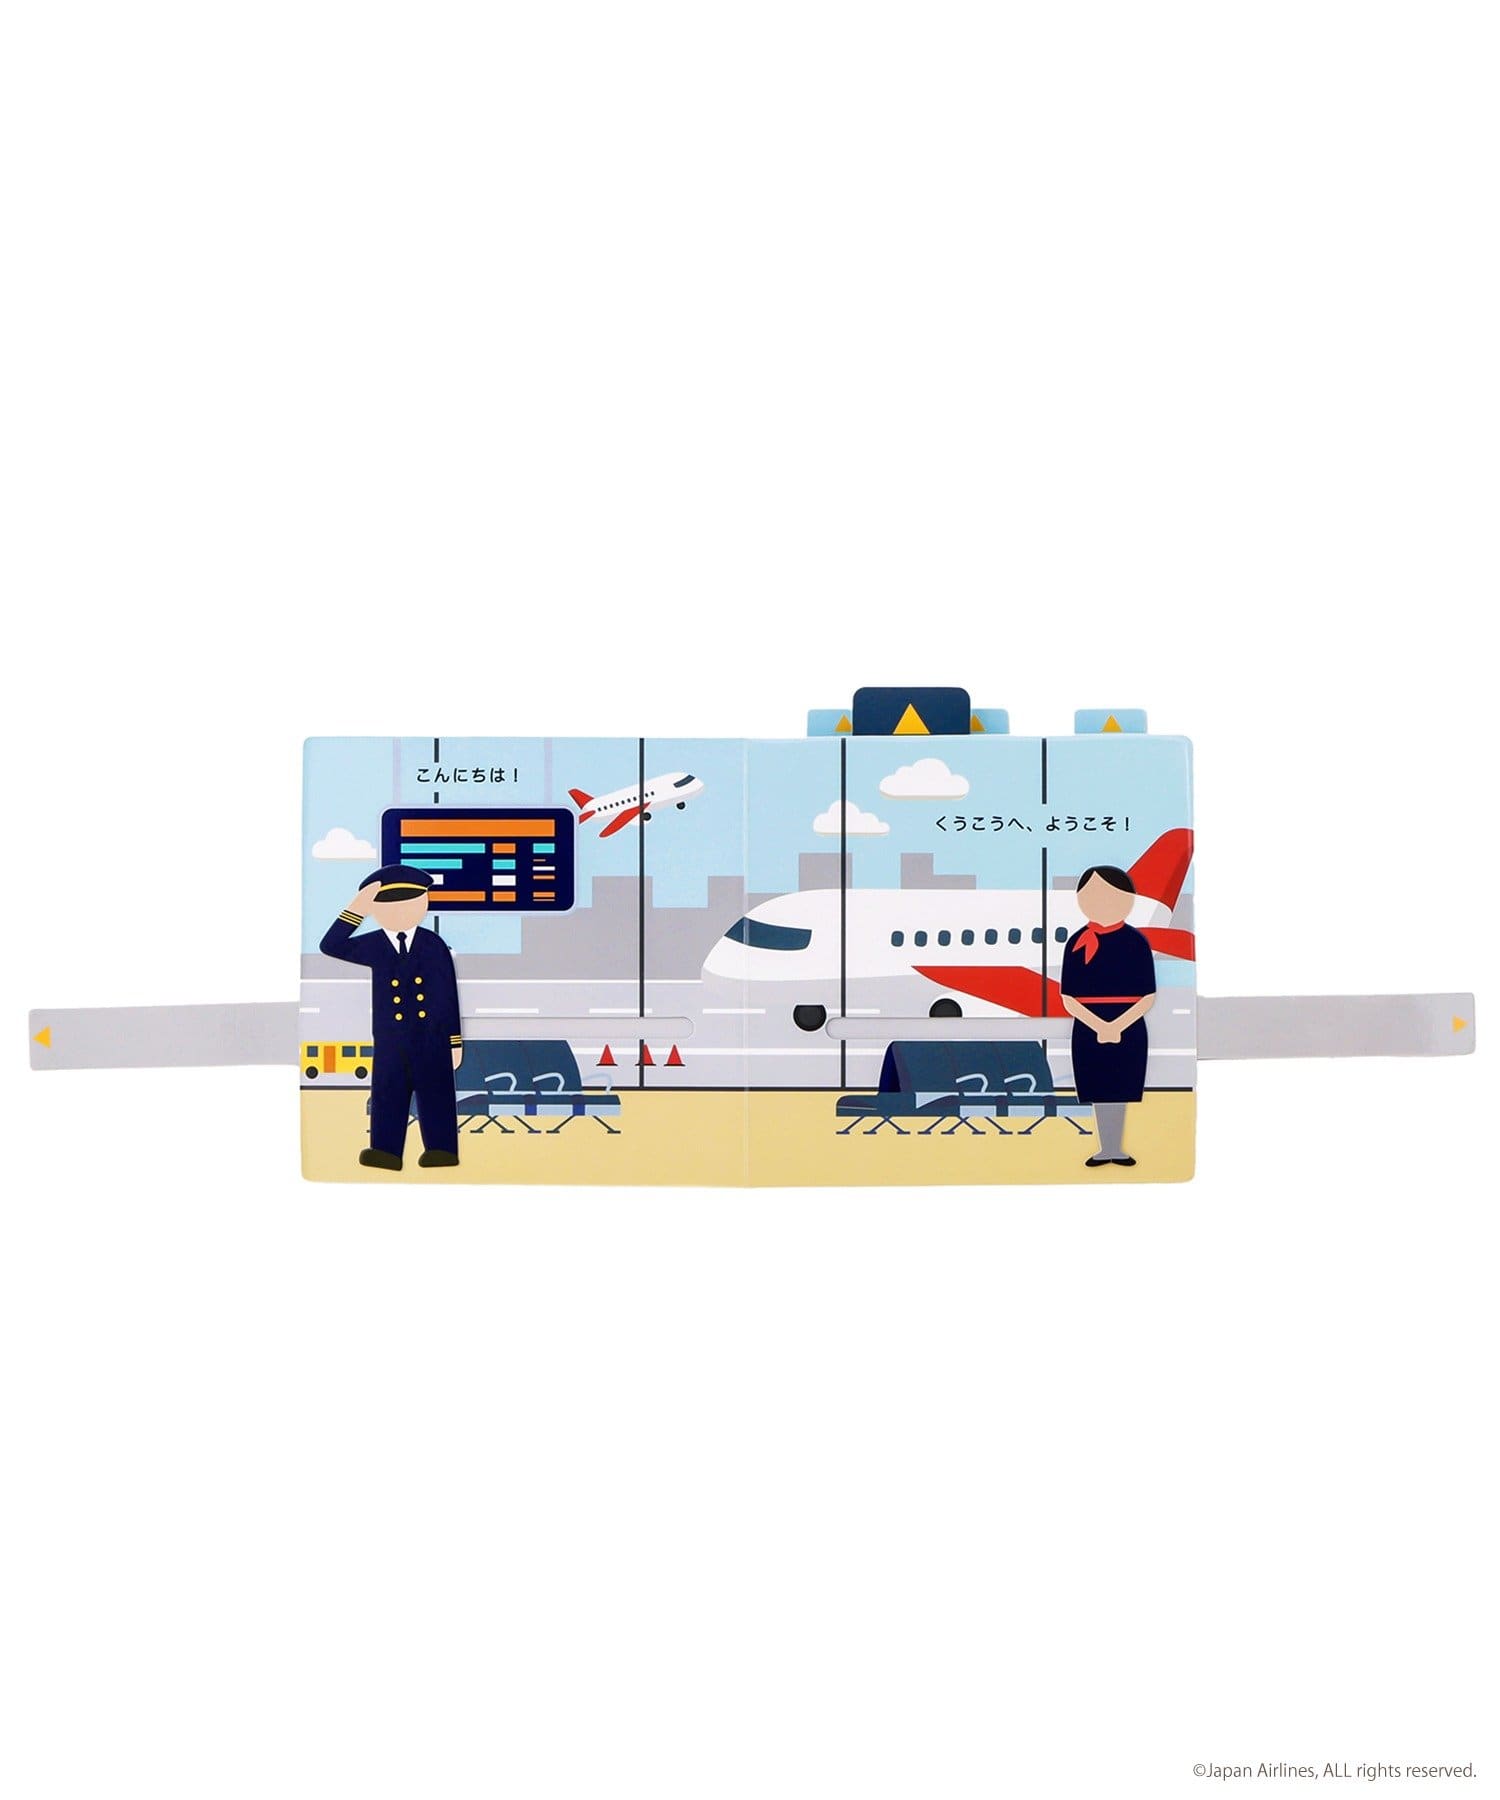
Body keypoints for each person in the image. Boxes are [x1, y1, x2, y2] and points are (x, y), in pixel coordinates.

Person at [319, 865, 464, 1170]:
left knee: (436, 1094)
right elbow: (330, 945)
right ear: (374, 910)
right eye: (389, 906)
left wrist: (454, 1042)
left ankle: (442, 1149)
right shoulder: (374, 944)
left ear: (424, 902)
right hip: (390, 1039)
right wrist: (356, 908)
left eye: (411, 903)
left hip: (432, 1038)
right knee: (388, 1094)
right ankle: (385, 1151)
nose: (401, 912)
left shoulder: (433, 944)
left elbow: (447, 995)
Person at [1058, 865, 1157, 1168]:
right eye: (1091, 894)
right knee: (1099, 1085)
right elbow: (1068, 997)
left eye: (1110, 894)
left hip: (1129, 1022)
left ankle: (1116, 1147)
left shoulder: (1136, 942)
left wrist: (1117, 1026)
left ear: (1129, 899)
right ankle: (1107, 1148)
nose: (1100, 901)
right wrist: (1100, 1026)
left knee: (1121, 1084)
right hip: (1088, 1023)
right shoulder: (1077, 943)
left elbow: (1148, 995)